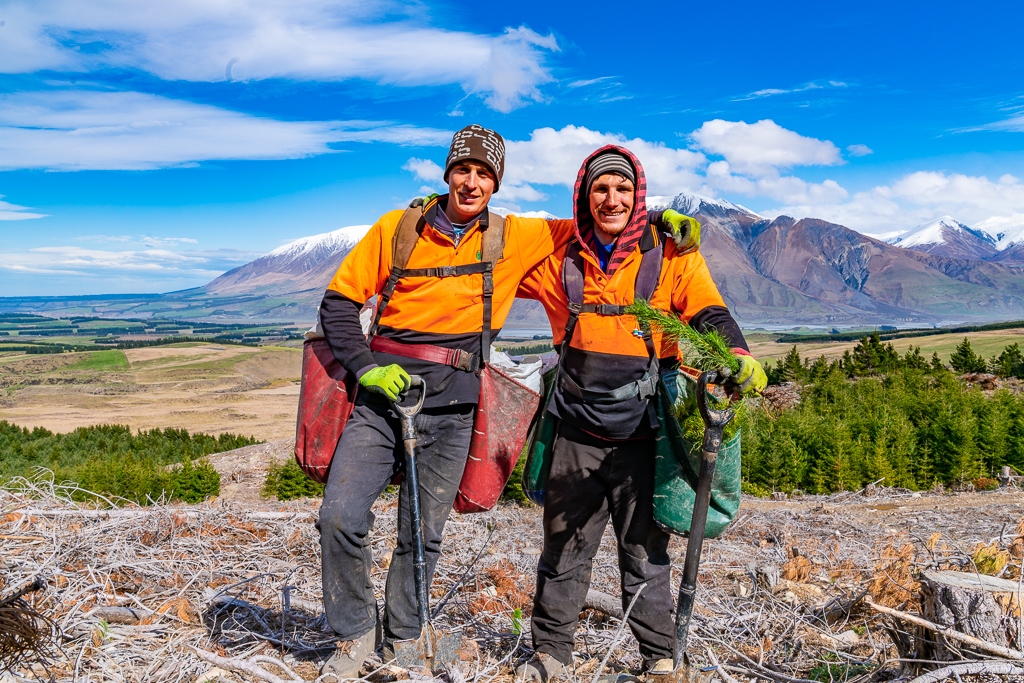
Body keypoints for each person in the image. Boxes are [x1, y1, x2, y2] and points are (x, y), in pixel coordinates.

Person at [314, 124, 584, 678]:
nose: (472, 182)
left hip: (457, 405)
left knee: (422, 532)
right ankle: (355, 634)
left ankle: (405, 635)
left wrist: (659, 225)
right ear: (447, 173)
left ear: (496, 183)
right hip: (381, 400)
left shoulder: (514, 237)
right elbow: (339, 304)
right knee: (339, 515)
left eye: (485, 174)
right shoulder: (398, 228)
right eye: (464, 169)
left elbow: (598, 224)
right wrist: (367, 368)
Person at [514, 145, 766, 681]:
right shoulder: (556, 256)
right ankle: (552, 656)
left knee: (645, 552)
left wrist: (737, 354)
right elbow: (490, 249)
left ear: (639, 195)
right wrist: (434, 214)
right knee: (563, 548)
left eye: (624, 190)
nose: (613, 199)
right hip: (575, 430)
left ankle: (659, 658)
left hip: (645, 433)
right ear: (585, 194)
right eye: (601, 188)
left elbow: (708, 310)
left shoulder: (670, 254)